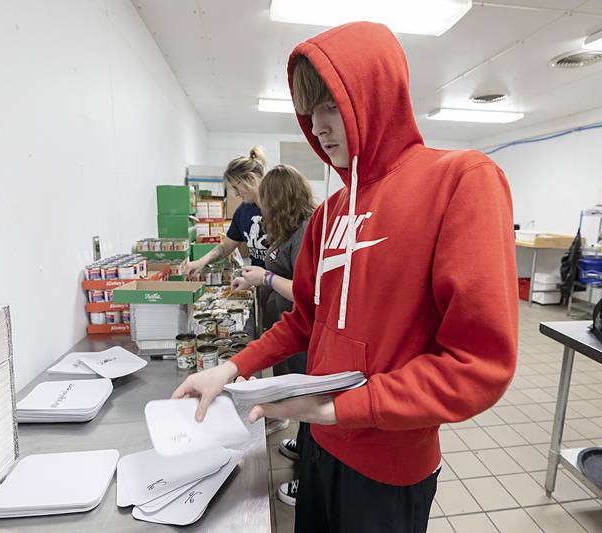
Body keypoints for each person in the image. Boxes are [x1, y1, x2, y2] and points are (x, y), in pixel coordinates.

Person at [173, 21, 518, 533]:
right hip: (319, 445)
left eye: (332, 105)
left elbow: (479, 364)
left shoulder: (461, 181)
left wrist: (343, 408)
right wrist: (231, 370)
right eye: (310, 111)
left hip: (389, 465)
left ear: (379, 96)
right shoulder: (331, 213)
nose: (318, 127)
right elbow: (304, 319)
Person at [230, 164, 315, 507]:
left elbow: (307, 293)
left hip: (307, 335)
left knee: (311, 401)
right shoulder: (290, 227)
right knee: (299, 398)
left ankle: (309, 482)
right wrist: (253, 278)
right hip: (291, 331)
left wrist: (264, 279)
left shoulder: (309, 230)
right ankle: (304, 444)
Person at [184, 146, 270, 277]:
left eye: (236, 187)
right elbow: (225, 247)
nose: (236, 194)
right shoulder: (243, 211)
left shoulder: (278, 209)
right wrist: (201, 262)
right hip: (258, 284)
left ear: (251, 179)